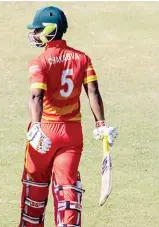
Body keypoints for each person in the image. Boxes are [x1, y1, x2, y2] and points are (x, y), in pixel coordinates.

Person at [19, 6, 118, 227]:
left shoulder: (39, 62)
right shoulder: (83, 58)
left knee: (34, 191)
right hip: (72, 134)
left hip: (44, 132)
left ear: (49, 31)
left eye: (37, 30)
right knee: (67, 191)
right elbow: (93, 91)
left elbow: (36, 97)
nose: (34, 34)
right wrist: (101, 124)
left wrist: (35, 126)